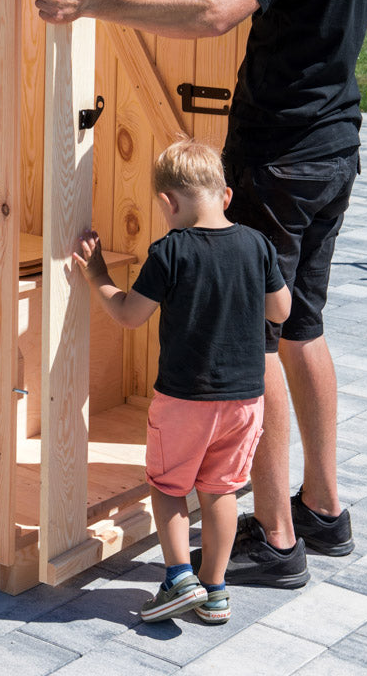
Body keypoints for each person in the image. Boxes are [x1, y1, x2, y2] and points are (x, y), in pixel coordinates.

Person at [37, 0, 367, 588]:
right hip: (333, 147)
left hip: (277, 155)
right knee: (299, 325)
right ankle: (325, 510)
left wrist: (89, 1)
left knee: (254, 346)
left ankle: (274, 538)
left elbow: (214, 9)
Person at [73, 138, 290, 624]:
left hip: (183, 401)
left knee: (170, 487)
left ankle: (176, 579)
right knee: (222, 491)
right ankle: (214, 590)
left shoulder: (170, 251)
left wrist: (98, 274)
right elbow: (281, 310)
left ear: (168, 203)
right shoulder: (258, 245)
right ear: (227, 196)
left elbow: (129, 315)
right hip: (244, 402)